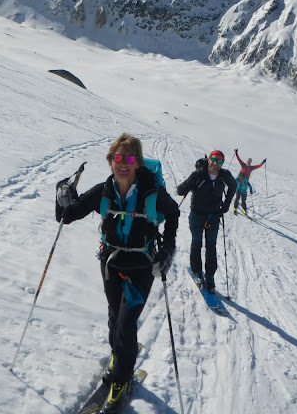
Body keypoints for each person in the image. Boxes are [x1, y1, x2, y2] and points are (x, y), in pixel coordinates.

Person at [57, 133, 179, 414]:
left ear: (138, 163)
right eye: (118, 157)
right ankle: (119, 356)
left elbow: (173, 213)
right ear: (110, 160)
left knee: (125, 325)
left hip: (141, 266)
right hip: (111, 263)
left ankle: (121, 378)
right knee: (114, 316)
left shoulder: (151, 192)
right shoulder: (104, 190)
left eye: (130, 158)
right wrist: (61, 195)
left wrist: (168, 249)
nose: (123, 163)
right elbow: (67, 215)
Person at [176, 150, 236, 294]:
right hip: (197, 215)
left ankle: (209, 277)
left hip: (214, 216)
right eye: (214, 160)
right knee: (197, 244)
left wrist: (226, 205)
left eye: (220, 161)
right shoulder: (199, 174)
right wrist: (193, 179)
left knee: (211, 247)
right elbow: (180, 190)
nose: (216, 163)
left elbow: (233, 186)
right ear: (209, 159)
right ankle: (197, 273)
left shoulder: (224, 175)